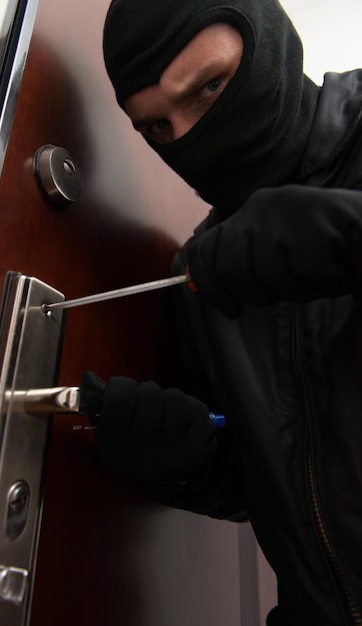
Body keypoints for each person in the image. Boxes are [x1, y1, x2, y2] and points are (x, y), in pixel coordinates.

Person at [81, 0, 362, 624]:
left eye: (210, 86)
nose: (189, 141)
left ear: (269, 38)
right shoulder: (201, 278)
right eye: (157, 127)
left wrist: (351, 236)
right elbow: (276, 492)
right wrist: (188, 461)